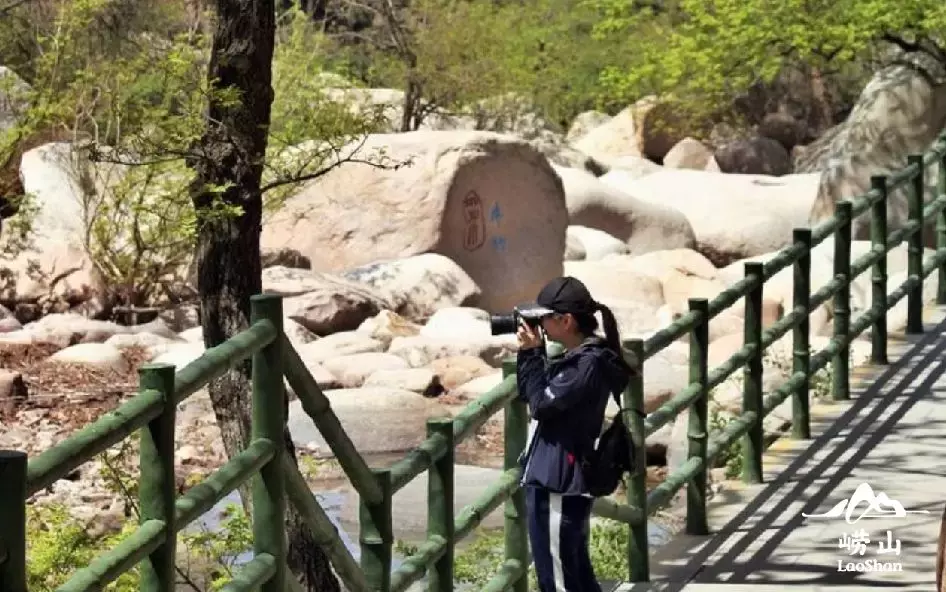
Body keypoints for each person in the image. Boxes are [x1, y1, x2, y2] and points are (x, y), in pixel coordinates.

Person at [515, 276, 635, 592]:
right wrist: (533, 354)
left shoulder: (584, 365)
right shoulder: (584, 358)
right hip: (563, 477)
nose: (537, 323)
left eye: (543, 317)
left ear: (565, 321)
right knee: (576, 573)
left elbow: (540, 404)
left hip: (559, 482)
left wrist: (531, 353)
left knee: (557, 581)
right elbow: (537, 396)